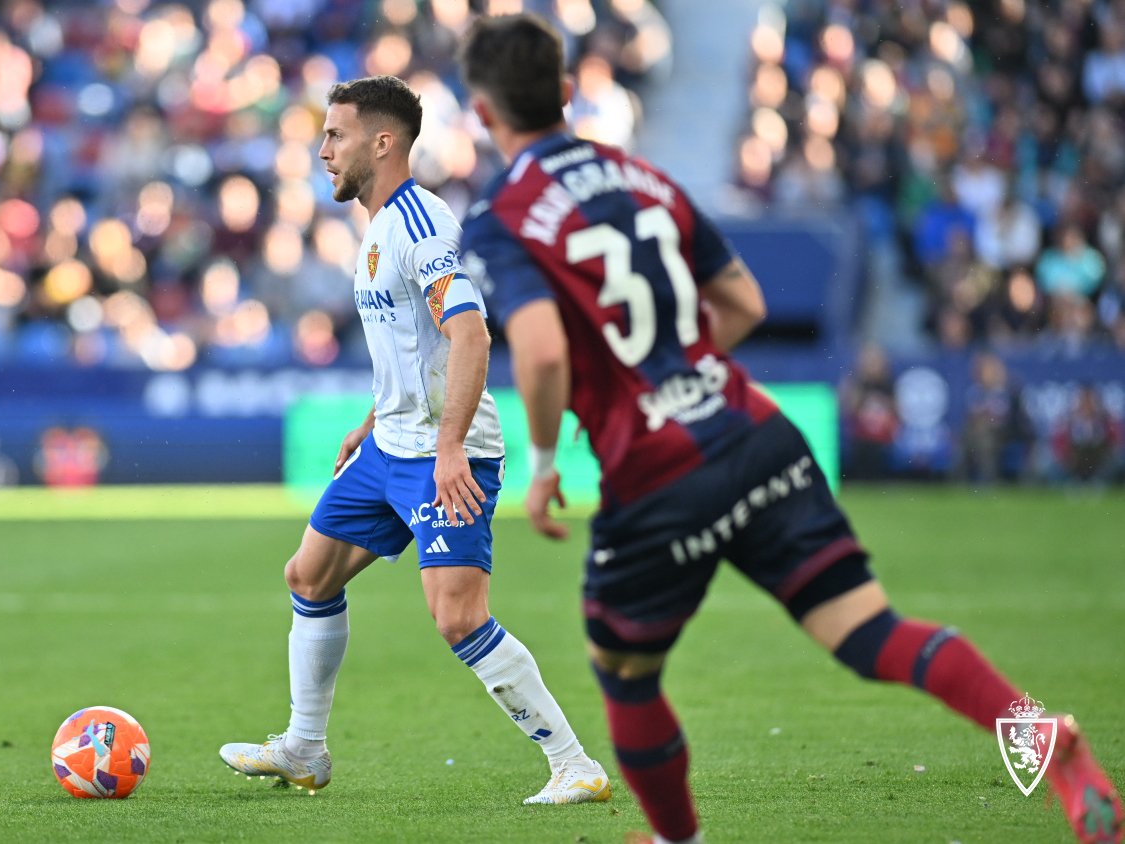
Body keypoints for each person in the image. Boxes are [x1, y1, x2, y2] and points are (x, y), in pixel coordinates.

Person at [456, 14, 1122, 844]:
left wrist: (545, 459)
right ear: (565, 92)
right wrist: (678, 365)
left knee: (623, 671)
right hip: (753, 431)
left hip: (657, 474)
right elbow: (743, 303)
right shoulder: (643, 177)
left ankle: (677, 839)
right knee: (869, 631)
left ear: (481, 113)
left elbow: (543, 351)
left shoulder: (499, 216)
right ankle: (1035, 730)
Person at [217, 75, 612, 805]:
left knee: (458, 617)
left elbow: (470, 333)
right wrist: (375, 417)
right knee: (309, 576)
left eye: (335, 135)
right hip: (390, 445)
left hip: (443, 454)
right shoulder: (376, 226)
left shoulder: (421, 225)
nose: (323, 150)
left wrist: (451, 446)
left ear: (382, 142)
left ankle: (574, 764)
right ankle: (304, 748)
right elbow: (413, 345)